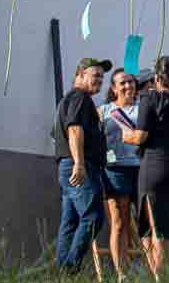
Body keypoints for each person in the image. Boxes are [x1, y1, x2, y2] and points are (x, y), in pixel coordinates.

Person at [124, 56, 169, 282]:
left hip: (156, 166)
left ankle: (158, 277)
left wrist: (126, 134)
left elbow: (141, 136)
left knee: (157, 229)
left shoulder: (150, 98)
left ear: (156, 77)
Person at [52, 57, 111, 273]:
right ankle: (70, 267)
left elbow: (56, 134)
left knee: (70, 222)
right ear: (80, 75)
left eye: (102, 77)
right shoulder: (80, 98)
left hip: (69, 166)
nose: (99, 80)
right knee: (94, 216)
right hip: (79, 167)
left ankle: (62, 273)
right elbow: (74, 130)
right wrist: (78, 163)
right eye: (95, 75)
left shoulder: (68, 100)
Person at [95, 69, 140, 281]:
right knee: (119, 222)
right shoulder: (103, 111)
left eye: (131, 82)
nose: (128, 86)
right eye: (122, 83)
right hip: (114, 170)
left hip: (141, 169)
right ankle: (122, 273)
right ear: (113, 88)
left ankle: (150, 269)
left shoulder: (143, 110)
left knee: (146, 223)